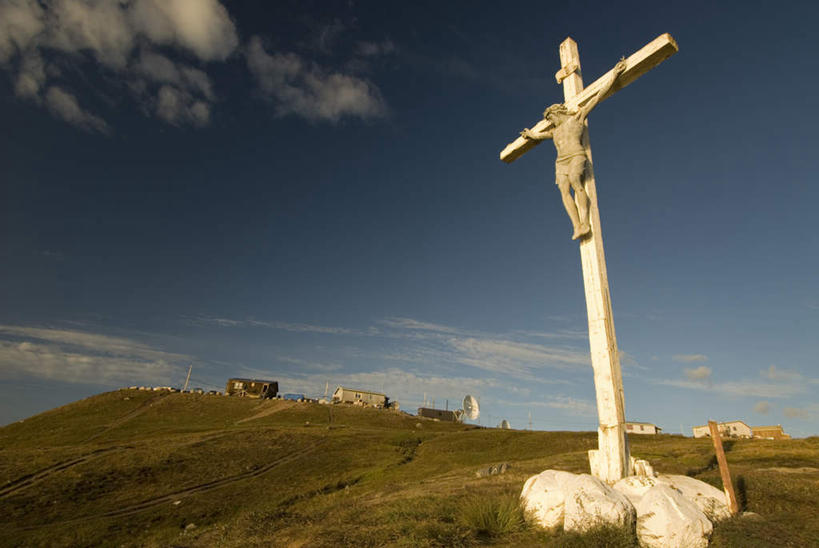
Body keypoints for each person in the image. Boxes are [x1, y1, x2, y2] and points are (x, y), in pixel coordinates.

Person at [520, 59, 627, 240]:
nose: (550, 121)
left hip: (576, 154)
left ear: (557, 112)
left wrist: (614, 75)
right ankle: (577, 225)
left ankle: (585, 222)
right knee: (564, 190)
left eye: (551, 118)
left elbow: (597, 97)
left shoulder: (576, 118)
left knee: (576, 181)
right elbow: (538, 136)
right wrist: (530, 134)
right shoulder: (554, 132)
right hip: (561, 161)